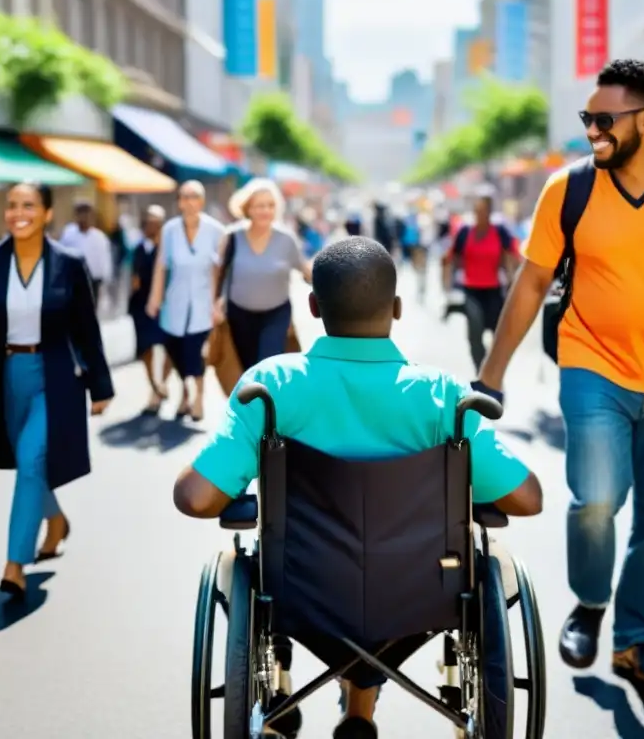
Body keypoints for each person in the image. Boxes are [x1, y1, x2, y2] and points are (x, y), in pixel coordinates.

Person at [173, 237, 542, 739]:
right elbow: (526, 499)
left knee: (306, 568)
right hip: (422, 592)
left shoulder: (272, 386)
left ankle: (354, 709)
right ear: (396, 308)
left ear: (312, 307)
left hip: (301, 587)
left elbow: (197, 497)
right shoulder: (441, 396)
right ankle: (360, 712)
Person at [476, 58, 644, 687]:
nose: (593, 131)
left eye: (605, 120)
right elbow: (531, 284)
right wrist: (489, 377)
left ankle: (635, 640)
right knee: (597, 500)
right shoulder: (567, 189)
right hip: (591, 365)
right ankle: (590, 604)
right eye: (587, 119)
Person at [0, 181, 114, 599]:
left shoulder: (68, 261)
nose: (17, 212)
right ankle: (56, 520)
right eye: (11, 205)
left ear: (47, 213)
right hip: (2, 376)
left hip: (55, 378)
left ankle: (14, 564)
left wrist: (100, 384)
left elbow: (86, 329)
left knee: (31, 460)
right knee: (26, 461)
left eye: (28, 205)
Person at [146, 181, 226, 422]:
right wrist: (154, 298)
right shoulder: (170, 229)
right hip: (175, 302)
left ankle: (199, 398)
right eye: (184, 197)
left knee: (196, 352)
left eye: (194, 197)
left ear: (201, 202)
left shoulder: (216, 230)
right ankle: (182, 395)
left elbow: (219, 272)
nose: (189, 202)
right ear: (179, 201)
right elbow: (161, 265)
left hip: (203, 304)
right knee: (174, 351)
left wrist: (217, 304)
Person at [215, 178, 311, 373]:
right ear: (247, 208)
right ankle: (256, 402)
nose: (266, 210)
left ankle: (269, 402)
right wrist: (214, 304)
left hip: (276, 313)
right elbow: (217, 273)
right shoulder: (232, 236)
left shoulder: (286, 239)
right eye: (260, 206)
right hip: (239, 313)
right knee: (248, 366)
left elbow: (305, 270)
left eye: (271, 205)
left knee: (268, 362)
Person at [443, 195, 519, 371]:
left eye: (482, 210)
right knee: (475, 335)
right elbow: (451, 257)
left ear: (489, 212)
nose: (479, 214)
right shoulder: (465, 232)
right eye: (476, 210)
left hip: (494, 290)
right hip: (471, 290)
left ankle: (494, 373)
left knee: (498, 336)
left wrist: (512, 280)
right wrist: (447, 285)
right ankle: (481, 371)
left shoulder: (500, 231)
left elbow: (511, 256)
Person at [129, 205, 172, 413]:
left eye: (156, 222)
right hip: (141, 306)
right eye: (148, 222)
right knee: (145, 349)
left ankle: (161, 386)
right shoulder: (138, 248)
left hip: (166, 306)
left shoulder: (169, 248)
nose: (151, 226)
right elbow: (134, 277)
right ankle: (155, 386)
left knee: (170, 349)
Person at [60, 200, 113, 305]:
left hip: (93, 280)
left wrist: (105, 281)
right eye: (80, 213)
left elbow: (105, 260)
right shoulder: (69, 234)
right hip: (72, 279)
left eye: (86, 214)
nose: (83, 217)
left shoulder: (99, 237)